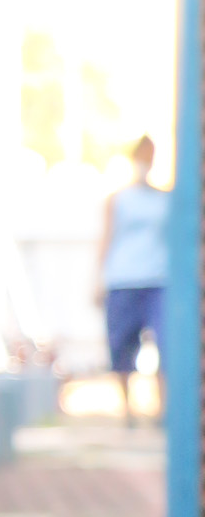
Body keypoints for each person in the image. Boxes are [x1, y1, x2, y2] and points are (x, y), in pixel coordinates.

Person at [96, 136, 169, 421]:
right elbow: (107, 237)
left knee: (165, 344)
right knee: (122, 346)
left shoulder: (165, 199)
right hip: (123, 278)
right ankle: (127, 410)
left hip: (158, 280)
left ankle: (162, 410)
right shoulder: (119, 199)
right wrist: (98, 279)